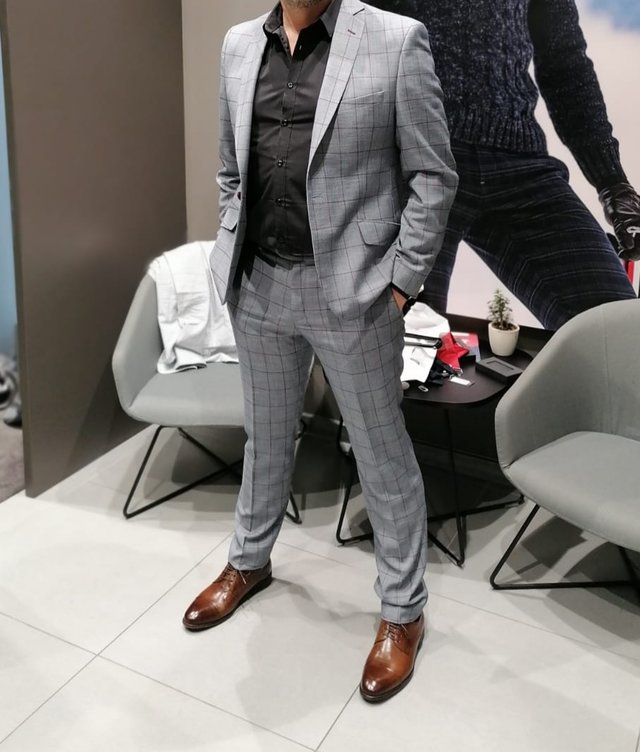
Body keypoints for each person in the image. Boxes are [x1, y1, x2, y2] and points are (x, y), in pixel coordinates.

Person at [182, 0, 457, 703]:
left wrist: (399, 284)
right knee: (266, 438)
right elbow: (230, 169)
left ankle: (403, 611)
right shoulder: (239, 45)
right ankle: (249, 560)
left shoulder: (397, 40)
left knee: (382, 454)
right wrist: (231, 243)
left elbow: (433, 176)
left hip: (354, 294)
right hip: (258, 283)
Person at [370, 0, 640, 330]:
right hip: (416, 156)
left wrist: (613, 183)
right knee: (398, 344)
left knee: (620, 336)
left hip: (519, 162)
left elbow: (564, 62)